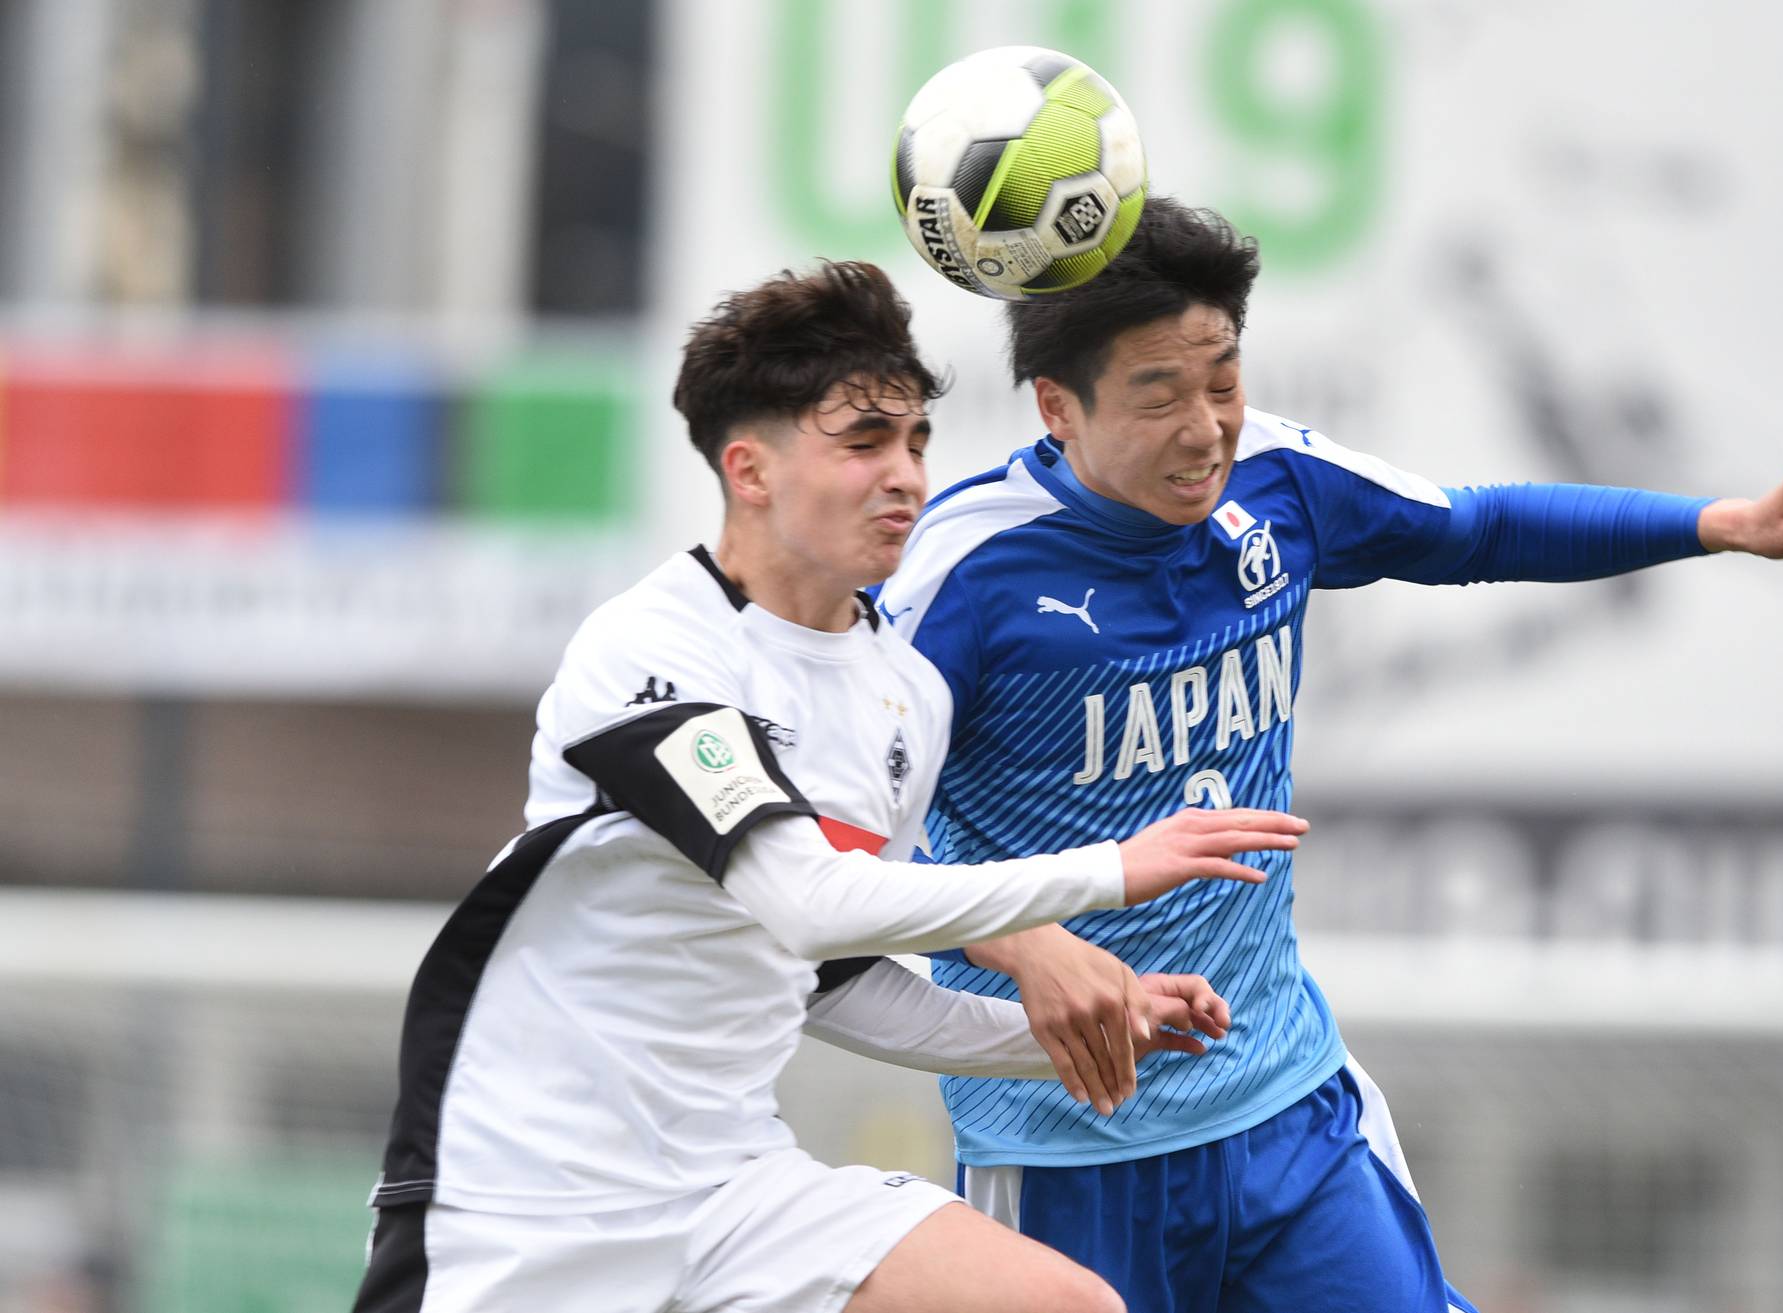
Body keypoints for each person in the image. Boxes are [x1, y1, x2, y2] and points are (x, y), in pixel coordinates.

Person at [876, 197, 1783, 1313]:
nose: (1207, 424)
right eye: (1159, 393)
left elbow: (1477, 529)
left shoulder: (1278, 480)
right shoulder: (963, 575)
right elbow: (847, 850)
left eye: (1222, 377)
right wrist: (1029, 943)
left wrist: (1721, 521)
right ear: (1056, 407)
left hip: (1285, 1106)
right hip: (1069, 1147)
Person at [348, 259, 1308, 1313]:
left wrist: (1058, 1035)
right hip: (526, 1198)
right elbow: (808, 903)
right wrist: (1109, 871)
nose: (904, 474)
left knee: (1068, 1304)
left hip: (735, 1187)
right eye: (863, 443)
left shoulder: (901, 692)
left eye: (916, 441)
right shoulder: (651, 648)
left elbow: (840, 981)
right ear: (750, 470)